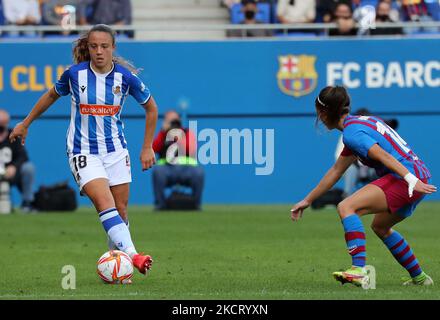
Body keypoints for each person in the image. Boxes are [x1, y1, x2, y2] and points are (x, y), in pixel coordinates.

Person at [10, 24, 158, 280]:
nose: (99, 51)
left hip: (115, 151)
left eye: (104, 46)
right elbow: (49, 96)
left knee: (121, 211)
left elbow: (152, 109)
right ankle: (133, 256)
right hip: (83, 150)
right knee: (104, 203)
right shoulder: (74, 74)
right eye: (93, 46)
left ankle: (119, 268)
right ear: (87, 48)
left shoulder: (126, 78)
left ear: (113, 48)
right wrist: (25, 123)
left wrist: (146, 147)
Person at [291, 85, 436, 287]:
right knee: (381, 226)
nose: (319, 117)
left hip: (407, 179)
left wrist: (410, 179)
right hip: (417, 176)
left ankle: (358, 270)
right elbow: (336, 171)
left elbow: (382, 155)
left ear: (324, 112)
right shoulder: (361, 123)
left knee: (346, 207)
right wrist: (308, 200)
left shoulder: (351, 133)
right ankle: (420, 279)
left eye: (318, 112)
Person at [152, 110, 204, 210]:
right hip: (167, 169)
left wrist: (179, 138)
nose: (173, 124)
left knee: (199, 172)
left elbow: (192, 149)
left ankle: (196, 205)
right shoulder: (162, 134)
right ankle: (160, 205)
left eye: (175, 120)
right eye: (170, 121)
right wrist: (164, 132)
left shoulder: (187, 133)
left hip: (187, 169)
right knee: (158, 171)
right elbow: (154, 148)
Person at [0, 109, 36, 212]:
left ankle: (27, 203)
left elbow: (23, 156)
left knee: (28, 168)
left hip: (10, 173)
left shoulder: (13, 136)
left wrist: (14, 167)